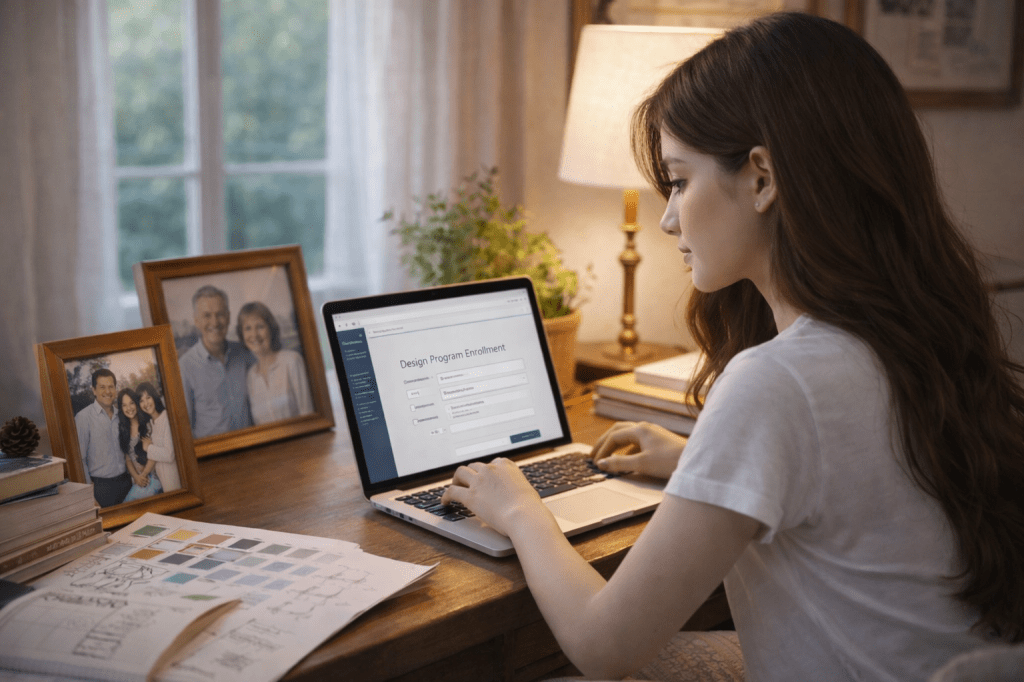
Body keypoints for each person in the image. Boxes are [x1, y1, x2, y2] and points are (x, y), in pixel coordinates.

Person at [441, 12, 1024, 682]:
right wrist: (698, 463)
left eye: (680, 180)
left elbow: (605, 647)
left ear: (761, 178)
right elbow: (855, 486)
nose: (665, 218)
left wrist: (519, 508)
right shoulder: (905, 336)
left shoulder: (777, 382)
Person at [178, 284, 254, 437]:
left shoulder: (245, 353)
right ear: (196, 320)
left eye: (220, 314)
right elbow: (184, 426)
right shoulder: (185, 366)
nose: (215, 322)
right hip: (214, 455)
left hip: (251, 446)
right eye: (207, 315)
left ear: (229, 316)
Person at [236, 301, 314, 425]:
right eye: (248, 328)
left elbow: (307, 413)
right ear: (242, 335)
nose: (254, 334)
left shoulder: (292, 361)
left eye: (260, 326)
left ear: (271, 329)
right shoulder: (251, 375)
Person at [74, 368, 131, 507]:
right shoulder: (83, 418)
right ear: (94, 390)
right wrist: (88, 494)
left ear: (115, 389)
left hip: (127, 482)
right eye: (102, 387)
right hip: (102, 488)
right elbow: (80, 459)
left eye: (111, 387)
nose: (107, 391)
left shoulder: (122, 415)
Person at [118, 388, 162, 502]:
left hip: (152, 477)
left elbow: (154, 453)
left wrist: (144, 474)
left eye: (132, 403)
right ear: (121, 408)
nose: (129, 408)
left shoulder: (147, 424)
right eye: (124, 405)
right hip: (138, 480)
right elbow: (128, 459)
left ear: (137, 403)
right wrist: (136, 477)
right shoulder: (124, 430)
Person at [137, 382, 182, 493]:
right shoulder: (152, 424)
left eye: (148, 397)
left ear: (154, 397)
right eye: (141, 400)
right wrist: (143, 473)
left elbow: (169, 454)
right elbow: (155, 457)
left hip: (174, 478)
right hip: (163, 481)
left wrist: (149, 448)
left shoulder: (166, 417)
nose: (146, 403)